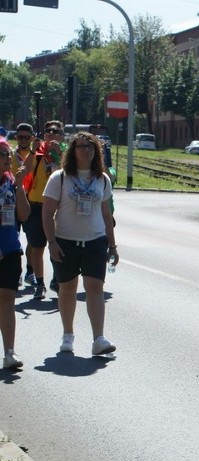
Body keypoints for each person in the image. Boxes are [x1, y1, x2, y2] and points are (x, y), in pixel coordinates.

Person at [42, 131, 118, 356]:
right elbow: (47, 213)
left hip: (95, 241)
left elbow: (106, 214)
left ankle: (99, 339)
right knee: (67, 288)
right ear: (72, 151)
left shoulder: (102, 179)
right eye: (81, 146)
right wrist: (52, 242)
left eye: (91, 147)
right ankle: (68, 335)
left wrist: (112, 246)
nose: (86, 150)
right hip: (65, 241)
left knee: (95, 288)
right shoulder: (60, 178)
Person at [22, 120, 66, 299]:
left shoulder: (66, 154)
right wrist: (33, 150)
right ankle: (39, 284)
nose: (52, 134)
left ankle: (57, 279)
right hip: (36, 206)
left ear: (61, 136)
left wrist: (60, 154)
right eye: (48, 131)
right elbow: (25, 170)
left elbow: (70, 173)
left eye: (56, 132)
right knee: (37, 247)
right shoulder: (38, 153)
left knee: (58, 247)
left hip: (58, 209)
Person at [0, 138, 31, 368]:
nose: (7, 159)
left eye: (8, 154)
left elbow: (23, 215)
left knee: (8, 300)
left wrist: (20, 186)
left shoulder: (11, 183)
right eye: (2, 154)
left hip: (10, 250)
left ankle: (9, 353)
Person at [10, 123, 36, 287]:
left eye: (27, 137)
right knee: (14, 239)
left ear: (32, 138)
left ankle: (30, 270)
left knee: (33, 240)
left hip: (32, 200)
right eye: (21, 137)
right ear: (16, 137)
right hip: (12, 200)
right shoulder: (9, 155)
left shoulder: (37, 154)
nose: (24, 140)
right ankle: (17, 272)